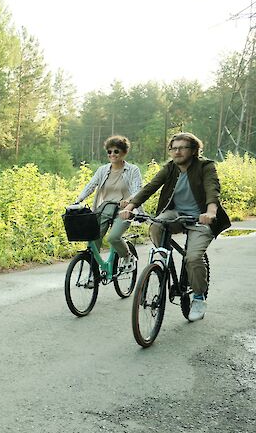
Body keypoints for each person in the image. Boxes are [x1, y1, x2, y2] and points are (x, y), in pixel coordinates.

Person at [120, 132, 231, 321]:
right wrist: (131, 207)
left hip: (201, 218)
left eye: (182, 148)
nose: (177, 152)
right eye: (173, 148)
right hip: (176, 213)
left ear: (194, 150)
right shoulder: (170, 168)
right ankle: (163, 255)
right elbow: (150, 187)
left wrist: (211, 212)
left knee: (193, 258)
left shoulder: (206, 166)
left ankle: (198, 297)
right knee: (156, 225)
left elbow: (213, 189)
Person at [73, 135, 142, 272]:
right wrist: (78, 200)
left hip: (124, 210)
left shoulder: (133, 170)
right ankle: (94, 273)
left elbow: (137, 190)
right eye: (109, 152)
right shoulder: (103, 170)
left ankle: (127, 256)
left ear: (124, 152)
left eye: (116, 151)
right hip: (105, 208)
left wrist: (128, 201)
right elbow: (91, 186)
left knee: (114, 237)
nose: (112, 154)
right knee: (93, 239)